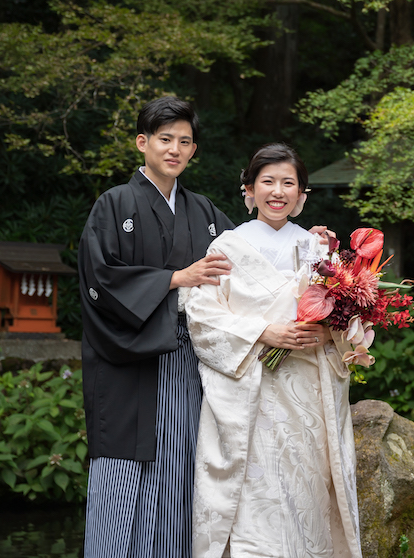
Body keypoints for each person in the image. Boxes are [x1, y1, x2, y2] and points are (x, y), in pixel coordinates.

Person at [185, 143, 362, 558]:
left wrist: (328, 336)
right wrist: (264, 331)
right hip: (252, 390)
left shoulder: (322, 253)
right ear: (249, 189)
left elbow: (348, 324)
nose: (277, 191)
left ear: (302, 196)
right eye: (267, 181)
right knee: (254, 498)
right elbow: (202, 315)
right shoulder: (226, 247)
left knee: (307, 494)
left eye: (288, 183)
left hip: (309, 396)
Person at [78, 96, 235, 558]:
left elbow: (248, 256)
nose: (175, 150)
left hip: (188, 362)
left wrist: (306, 246)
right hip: (129, 361)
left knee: (179, 473)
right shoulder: (114, 204)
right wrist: (174, 279)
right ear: (142, 143)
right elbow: (99, 279)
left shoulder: (204, 212)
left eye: (185, 142)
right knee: (122, 476)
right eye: (165, 139)